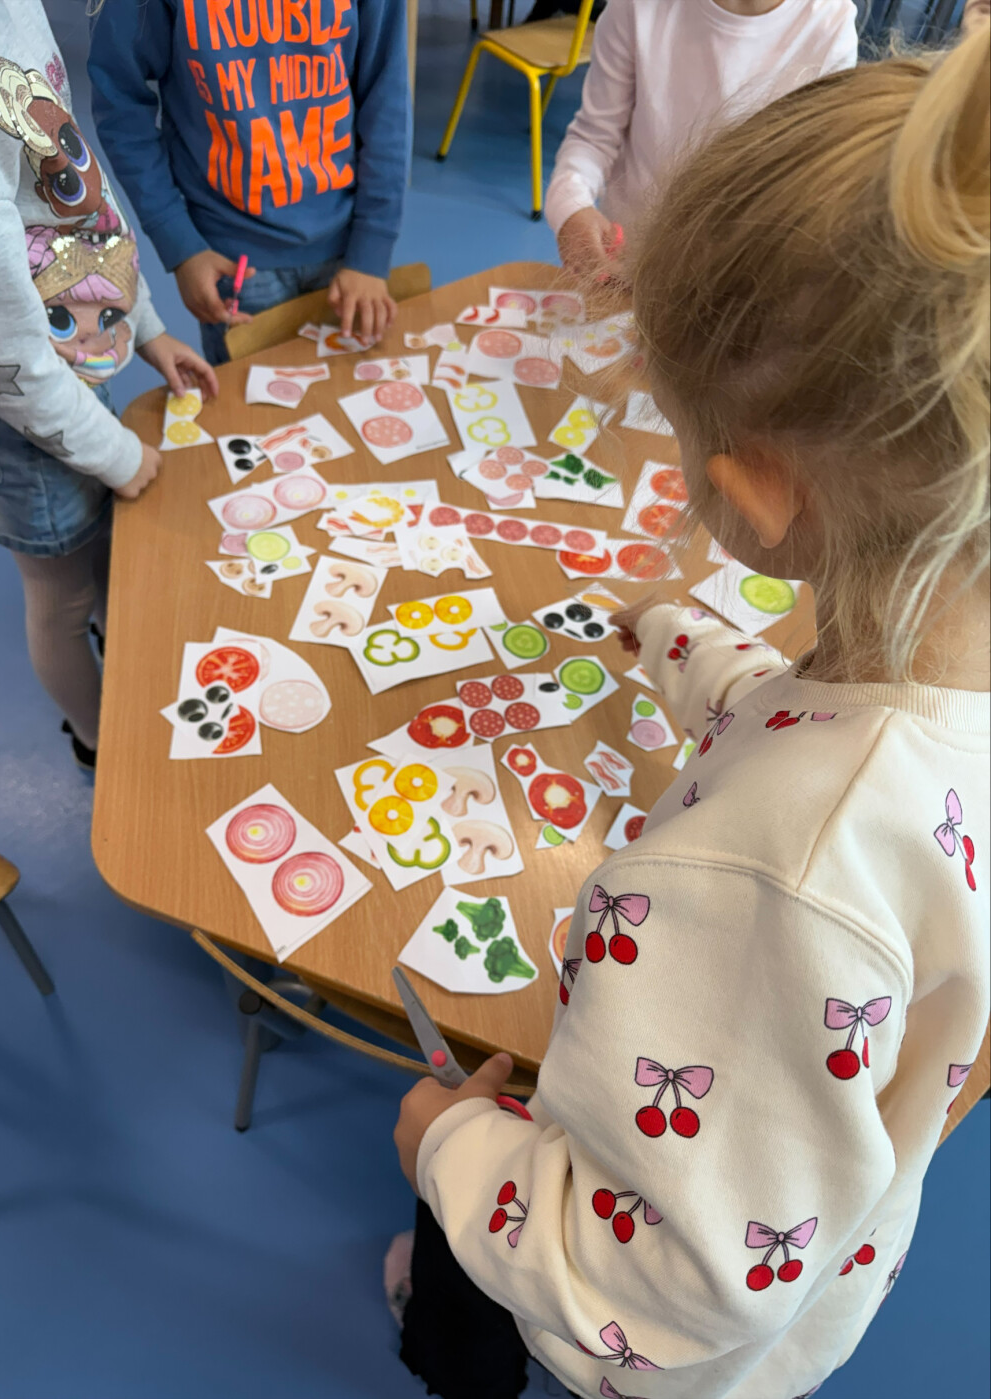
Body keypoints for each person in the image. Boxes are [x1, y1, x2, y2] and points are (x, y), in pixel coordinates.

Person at [391, 25, 990, 1399]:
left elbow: (660, 1284)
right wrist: (685, 643)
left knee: (479, 1279)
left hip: (656, 1338)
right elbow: (822, 727)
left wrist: (444, 1148)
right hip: (816, 1206)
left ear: (753, 489)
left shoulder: (782, 877)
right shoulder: (923, 685)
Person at [0, 0, 215, 770]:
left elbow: (78, 197)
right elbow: (0, 356)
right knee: (61, 598)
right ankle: (99, 740)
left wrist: (146, 323)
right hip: (8, 405)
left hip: (60, 362)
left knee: (101, 546)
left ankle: (113, 639)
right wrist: (119, 455)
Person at [87, 0, 411, 365]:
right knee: (247, 401)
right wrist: (180, 245)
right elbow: (120, 101)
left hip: (347, 245)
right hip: (230, 259)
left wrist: (372, 249)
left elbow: (387, 96)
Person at [547, 0, 858, 277]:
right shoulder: (637, 7)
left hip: (740, 275)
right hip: (631, 259)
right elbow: (593, 135)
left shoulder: (830, 25)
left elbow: (810, 183)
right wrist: (570, 208)